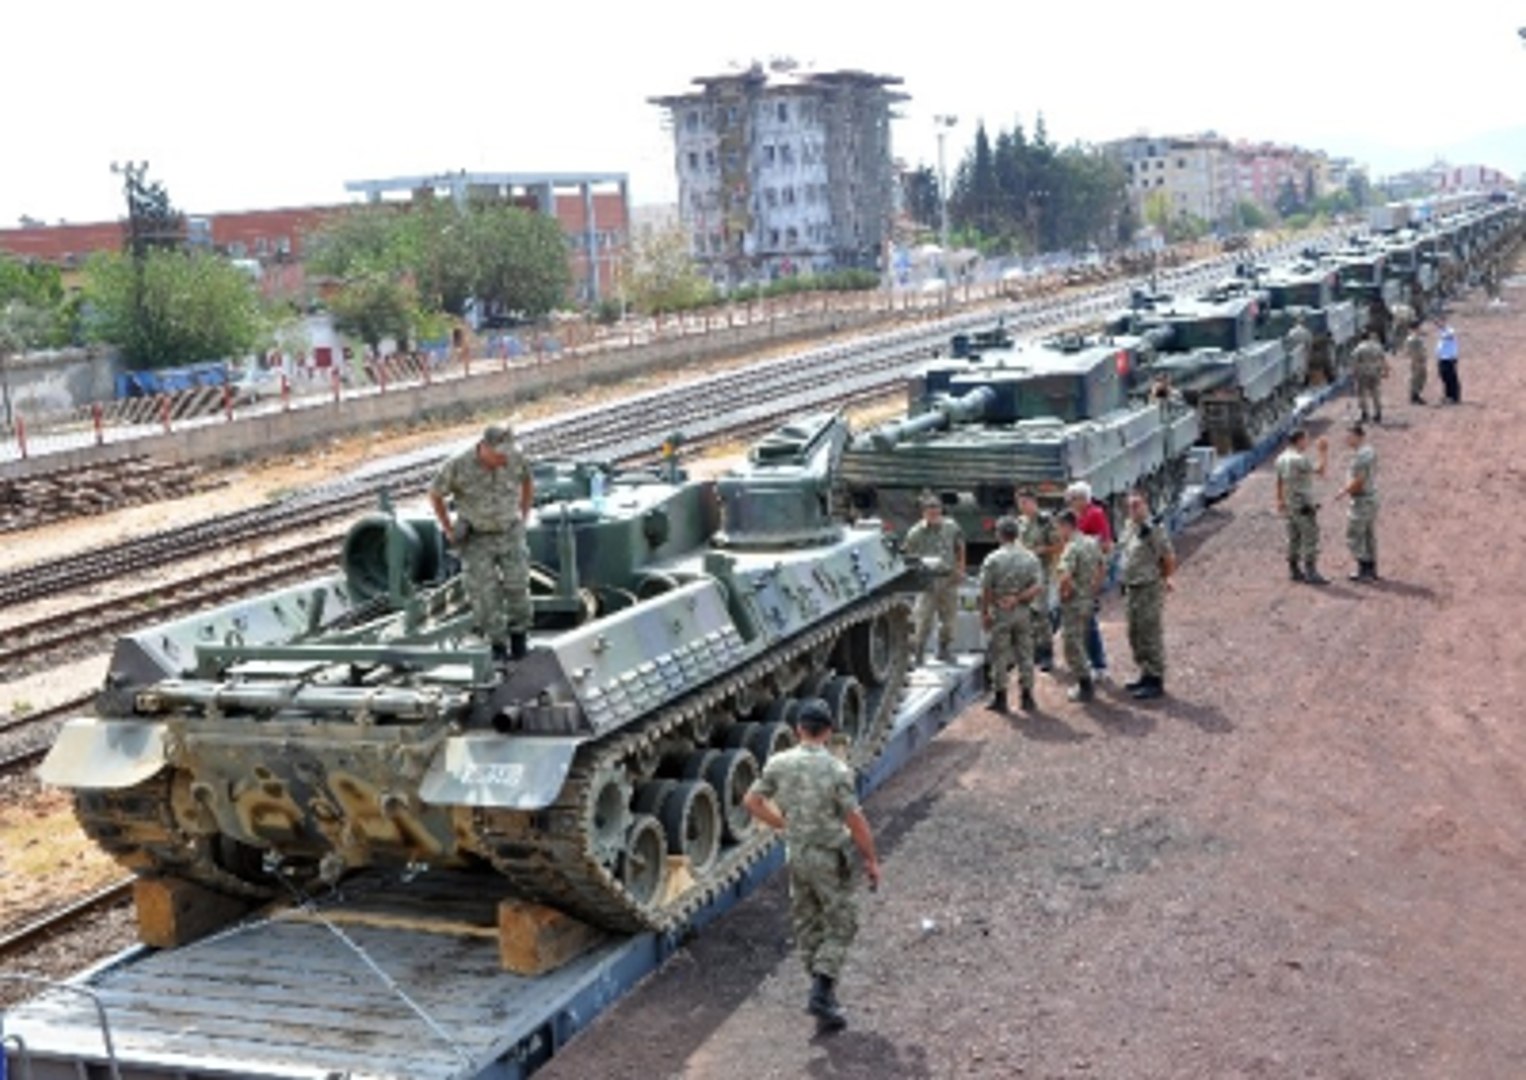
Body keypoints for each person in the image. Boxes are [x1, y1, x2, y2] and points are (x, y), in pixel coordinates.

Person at [743, 698, 881, 1033]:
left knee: (807, 921)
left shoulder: (779, 763)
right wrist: (871, 859)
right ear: (829, 731)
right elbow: (855, 819)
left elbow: (751, 801)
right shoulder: (836, 769)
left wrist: (781, 824)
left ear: (798, 730)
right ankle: (822, 989)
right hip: (829, 856)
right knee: (843, 922)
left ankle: (823, 998)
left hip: (797, 853)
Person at [429, 422, 535, 664]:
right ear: (485, 448)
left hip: (510, 532)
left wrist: (524, 515)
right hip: (477, 537)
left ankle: (519, 638)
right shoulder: (458, 464)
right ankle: (497, 644)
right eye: (499, 455)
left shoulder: (515, 457)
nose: (504, 459)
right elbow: (435, 494)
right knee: (485, 594)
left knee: (518, 586)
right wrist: (448, 528)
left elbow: (527, 481)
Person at [979, 516, 1043, 714]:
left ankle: (1001, 698)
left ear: (999, 535)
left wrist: (985, 613)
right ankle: (1027, 697)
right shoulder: (1030, 557)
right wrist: (1018, 598)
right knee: (1025, 653)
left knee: (1000, 654)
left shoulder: (993, 559)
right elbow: (1037, 587)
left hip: (1001, 611)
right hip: (1023, 611)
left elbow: (985, 590)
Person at [1117, 491, 1176, 700]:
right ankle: (1145, 673)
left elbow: (1168, 557)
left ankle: (1155, 679)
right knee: (1135, 633)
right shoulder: (1129, 527)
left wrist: (1165, 578)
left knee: (1150, 633)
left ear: (1146, 505)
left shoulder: (1154, 530)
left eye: (1137, 505)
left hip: (1148, 588)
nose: (1133, 509)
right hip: (1132, 587)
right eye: (1130, 506)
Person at [901, 494, 966, 664]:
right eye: (930, 512)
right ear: (923, 513)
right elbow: (908, 555)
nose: (934, 515)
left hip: (948, 577)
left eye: (937, 511)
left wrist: (960, 569)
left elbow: (959, 547)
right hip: (927, 579)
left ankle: (944, 649)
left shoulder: (951, 527)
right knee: (923, 617)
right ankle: (918, 651)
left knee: (949, 618)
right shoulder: (915, 533)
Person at [1055, 509, 1105, 702]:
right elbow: (1102, 567)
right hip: (1088, 599)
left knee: (1072, 645)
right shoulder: (1091, 542)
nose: (1058, 532)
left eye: (1059, 528)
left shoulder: (1072, 547)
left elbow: (1065, 575)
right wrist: (1093, 590)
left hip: (1074, 603)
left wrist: (1064, 594)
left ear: (1066, 526)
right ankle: (1088, 678)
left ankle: (1085, 686)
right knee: (1083, 639)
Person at [1065, 481, 1113, 679]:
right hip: (1080, 573)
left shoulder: (1095, 514)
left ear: (1083, 499)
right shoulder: (1079, 515)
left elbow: (1105, 544)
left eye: (1073, 499)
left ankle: (1098, 664)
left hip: (1089, 574)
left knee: (1088, 622)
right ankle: (1090, 661)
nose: (1070, 503)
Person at [1274, 427, 1331, 585]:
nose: (1307, 442)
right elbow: (1320, 470)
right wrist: (1323, 451)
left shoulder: (1281, 458)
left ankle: (1294, 570)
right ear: (1299, 440)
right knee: (1310, 536)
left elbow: (1279, 482)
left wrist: (1279, 500)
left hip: (1289, 503)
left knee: (1293, 537)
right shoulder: (1299, 459)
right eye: (1306, 439)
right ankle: (1311, 572)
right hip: (1303, 503)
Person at [1015, 488, 1061, 672]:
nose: (1022, 506)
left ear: (1034, 502)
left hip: (1041, 571)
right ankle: (1033, 650)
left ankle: (1046, 653)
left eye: (1025, 502)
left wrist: (1040, 550)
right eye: (1019, 503)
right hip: (1023, 572)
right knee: (1028, 613)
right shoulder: (1020, 522)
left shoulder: (1046, 521)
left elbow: (1058, 545)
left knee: (1041, 613)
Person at [1335, 422, 1380, 582]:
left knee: (1354, 535)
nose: (1347, 439)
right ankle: (1371, 569)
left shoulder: (1360, 457)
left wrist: (1343, 492)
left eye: (1350, 436)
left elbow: (1359, 481)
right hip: (1371, 497)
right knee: (1368, 534)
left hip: (1361, 499)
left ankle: (1364, 570)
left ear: (1359, 437)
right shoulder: (1370, 451)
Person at [1350, 329, 1389, 424]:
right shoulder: (1377, 346)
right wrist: (1386, 371)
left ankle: (1365, 413)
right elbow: (1383, 359)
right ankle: (1378, 413)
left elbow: (1354, 362)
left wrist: (1354, 373)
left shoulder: (1358, 348)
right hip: (1375, 372)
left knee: (1362, 394)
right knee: (1376, 393)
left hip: (1363, 374)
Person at [1403, 320, 1428, 405]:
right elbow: (1408, 352)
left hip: (1420, 360)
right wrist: (1415, 359)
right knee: (1416, 378)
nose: (1420, 328)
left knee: (1422, 377)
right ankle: (1414, 396)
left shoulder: (1418, 337)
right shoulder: (1412, 339)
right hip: (1416, 361)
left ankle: (1416, 395)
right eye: (1419, 327)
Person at [1436, 322, 1461, 404]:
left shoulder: (1449, 335)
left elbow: (1449, 332)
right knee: (1445, 378)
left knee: (1451, 379)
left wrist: (1442, 327)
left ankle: (1453, 397)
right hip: (1442, 360)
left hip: (1448, 360)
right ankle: (1448, 395)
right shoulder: (1442, 337)